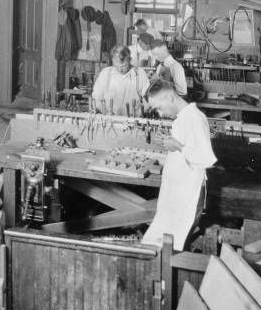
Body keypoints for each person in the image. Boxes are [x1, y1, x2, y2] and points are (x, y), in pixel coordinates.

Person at [140, 79, 217, 250]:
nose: (159, 113)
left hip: (187, 196)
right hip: (175, 194)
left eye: (159, 107)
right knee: (161, 243)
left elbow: (206, 159)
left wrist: (178, 146)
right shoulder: (182, 119)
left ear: (169, 97)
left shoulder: (196, 118)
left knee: (172, 246)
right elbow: (186, 149)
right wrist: (170, 141)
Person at [91, 44, 150, 116]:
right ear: (112, 60)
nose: (120, 70)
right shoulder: (105, 73)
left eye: (124, 66)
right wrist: (105, 112)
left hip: (133, 120)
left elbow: (148, 100)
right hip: (110, 119)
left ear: (129, 60)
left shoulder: (140, 74)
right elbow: (96, 97)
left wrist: (138, 114)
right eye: (116, 66)